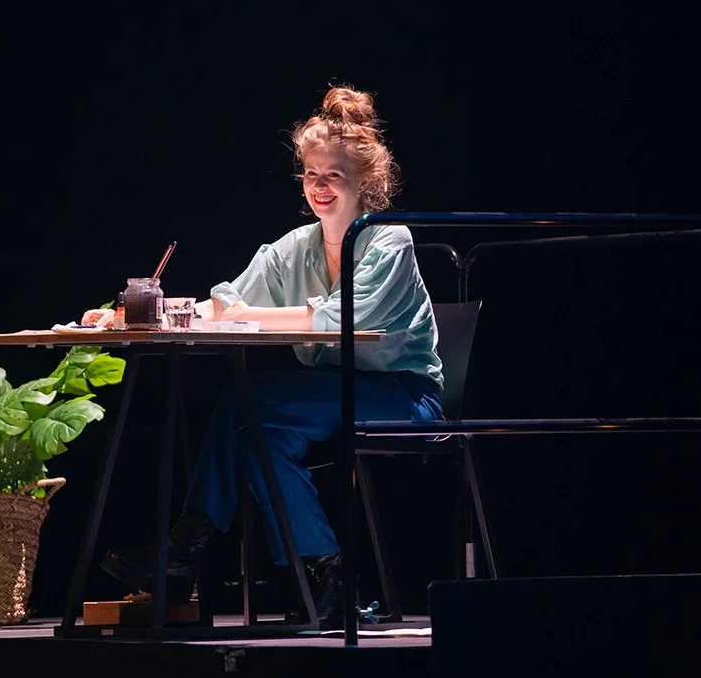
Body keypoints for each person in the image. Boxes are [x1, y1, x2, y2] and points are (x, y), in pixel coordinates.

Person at [100, 85, 446, 627]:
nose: (320, 187)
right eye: (311, 174)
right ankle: (325, 577)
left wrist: (255, 318)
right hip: (326, 395)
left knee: (251, 401)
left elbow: (343, 320)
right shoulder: (297, 246)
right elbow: (226, 300)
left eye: (333, 175)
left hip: (402, 397)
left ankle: (188, 551)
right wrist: (132, 315)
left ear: (363, 181)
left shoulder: (387, 241)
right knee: (259, 433)